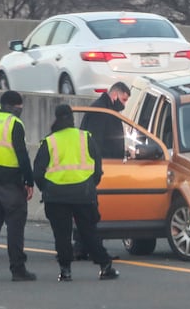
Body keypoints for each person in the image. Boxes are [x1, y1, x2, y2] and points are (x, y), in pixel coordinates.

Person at [33, 104, 119, 281]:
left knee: (61, 235)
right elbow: (97, 168)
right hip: (83, 193)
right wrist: (90, 185)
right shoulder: (85, 137)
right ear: (72, 118)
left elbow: (38, 172)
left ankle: (65, 271)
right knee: (89, 232)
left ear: (55, 118)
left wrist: (47, 189)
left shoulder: (49, 141)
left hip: (56, 196)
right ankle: (104, 266)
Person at [0, 90, 36, 282]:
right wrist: (29, 181)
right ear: (13, 106)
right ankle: (18, 270)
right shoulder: (14, 123)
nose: (20, 112)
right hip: (12, 182)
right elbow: (22, 155)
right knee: (15, 229)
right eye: (19, 108)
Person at [73, 81, 131, 260]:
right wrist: (98, 168)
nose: (124, 104)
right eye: (123, 99)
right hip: (95, 168)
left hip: (99, 165)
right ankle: (92, 250)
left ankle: (83, 248)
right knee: (91, 211)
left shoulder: (104, 110)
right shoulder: (101, 112)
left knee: (89, 211)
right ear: (114, 95)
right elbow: (95, 142)